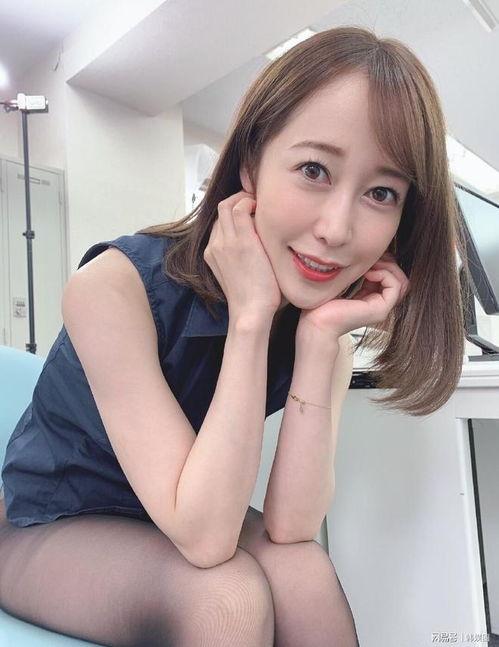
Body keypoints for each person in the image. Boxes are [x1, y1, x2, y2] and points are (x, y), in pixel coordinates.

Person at [0, 25, 469, 647]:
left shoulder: (319, 321)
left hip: (181, 512)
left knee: (302, 573)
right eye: (314, 170)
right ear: (250, 166)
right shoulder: (113, 286)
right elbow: (206, 540)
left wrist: (319, 342)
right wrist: (251, 319)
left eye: (381, 193)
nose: (337, 229)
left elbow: (293, 528)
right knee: (226, 598)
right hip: (50, 521)